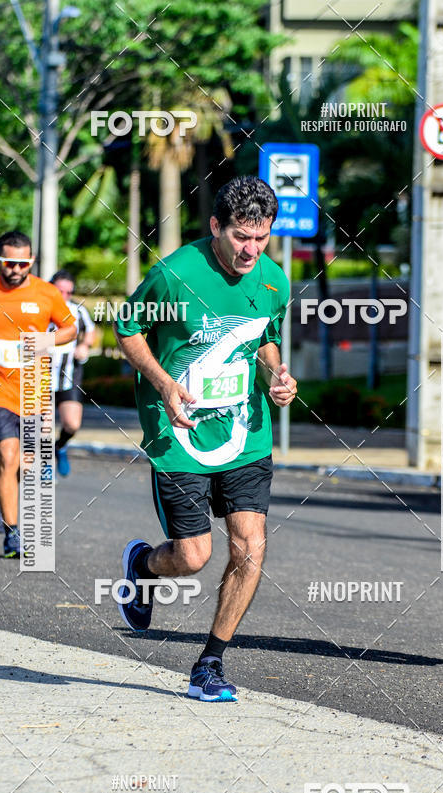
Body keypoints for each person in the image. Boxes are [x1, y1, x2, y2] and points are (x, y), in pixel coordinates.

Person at [115, 175, 297, 701]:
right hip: (180, 433)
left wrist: (277, 377)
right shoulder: (175, 274)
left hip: (245, 435)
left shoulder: (273, 281)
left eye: (261, 238)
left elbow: (265, 339)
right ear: (216, 226)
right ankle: (143, 566)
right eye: (242, 236)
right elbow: (127, 328)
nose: (251, 250)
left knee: (250, 547)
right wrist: (165, 385)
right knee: (193, 556)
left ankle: (210, 662)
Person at [0, 231, 77, 557]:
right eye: (9, 262)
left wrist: (46, 342)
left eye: (22, 263)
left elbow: (70, 327)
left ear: (31, 261)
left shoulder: (46, 293)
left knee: (25, 466)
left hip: (34, 391)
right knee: (8, 457)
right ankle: (13, 534)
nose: (15, 269)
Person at [49, 270, 96, 477]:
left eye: (69, 292)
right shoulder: (40, 308)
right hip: (41, 377)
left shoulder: (77, 310)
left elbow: (91, 331)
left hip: (69, 376)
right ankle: (44, 466)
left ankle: (60, 446)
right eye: (60, 291)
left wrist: (85, 345)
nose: (65, 296)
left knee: (72, 424)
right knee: (42, 427)